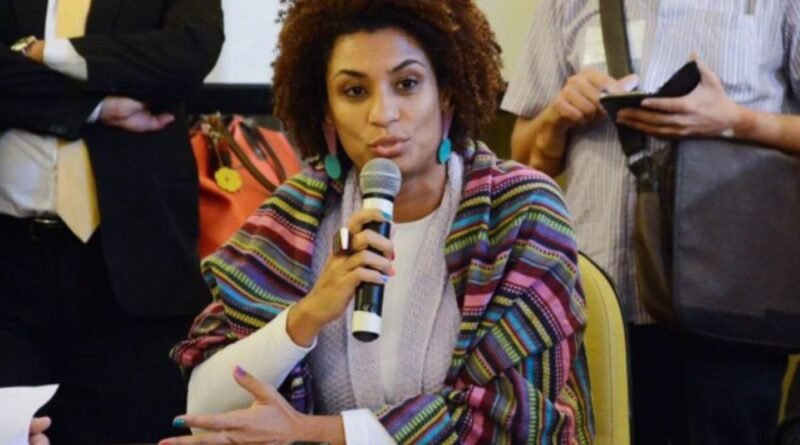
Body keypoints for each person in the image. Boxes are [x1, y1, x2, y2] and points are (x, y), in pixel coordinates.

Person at [165, 1, 594, 444]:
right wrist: (308, 314)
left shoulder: (521, 212)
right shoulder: (293, 217)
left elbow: (521, 417)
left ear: (445, 91)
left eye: (407, 84)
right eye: (354, 91)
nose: (382, 114)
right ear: (327, 111)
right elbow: (203, 410)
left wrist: (315, 432)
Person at [501, 1, 799, 444]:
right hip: (596, 308)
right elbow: (524, 161)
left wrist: (737, 122)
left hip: (728, 311)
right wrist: (556, 118)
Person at [0, 1, 223, 443]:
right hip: (10, 267)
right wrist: (97, 105)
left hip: (137, 266)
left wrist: (45, 54)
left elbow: (188, 52)